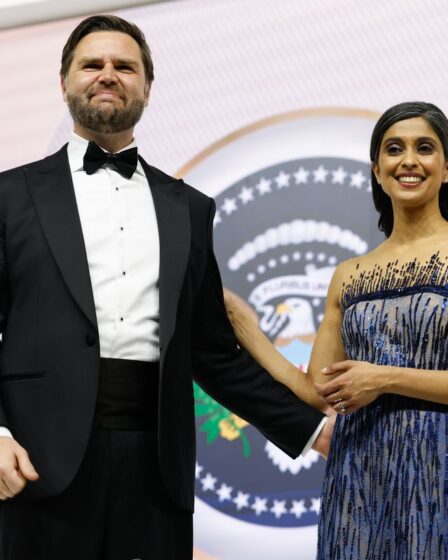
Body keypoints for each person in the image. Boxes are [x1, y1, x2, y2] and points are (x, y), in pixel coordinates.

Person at [0, 15, 334, 560]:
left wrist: (312, 430)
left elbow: (211, 352)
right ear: (64, 83)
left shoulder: (190, 207)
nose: (108, 75)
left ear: (147, 88)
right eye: (92, 64)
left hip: (157, 471)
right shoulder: (8, 197)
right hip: (38, 465)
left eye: (124, 66)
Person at [224, 101, 448, 558]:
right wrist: (242, 322)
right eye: (393, 149)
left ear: (446, 168)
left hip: (440, 470)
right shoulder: (348, 274)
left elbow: (369, 380)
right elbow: (317, 390)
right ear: (377, 170)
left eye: (424, 148)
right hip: (360, 475)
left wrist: (383, 378)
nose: (408, 160)